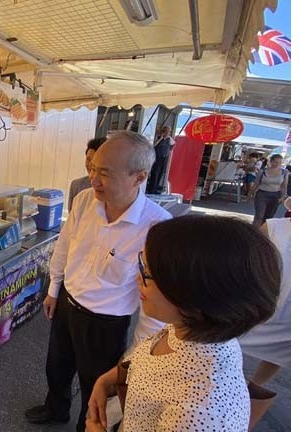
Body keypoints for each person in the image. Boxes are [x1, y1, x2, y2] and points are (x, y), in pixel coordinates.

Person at [24, 131, 172, 432]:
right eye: (92, 169)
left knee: (97, 384)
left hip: (107, 320)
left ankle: (89, 426)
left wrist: (140, 352)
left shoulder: (157, 227)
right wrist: (54, 289)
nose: (93, 180)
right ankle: (56, 408)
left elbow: (155, 298)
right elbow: (65, 245)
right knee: (57, 366)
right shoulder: (83, 200)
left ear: (138, 177)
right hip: (68, 300)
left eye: (104, 173)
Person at [85, 215, 281, 432]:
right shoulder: (188, 329)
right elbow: (146, 359)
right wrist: (106, 380)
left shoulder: (199, 412)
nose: (137, 279)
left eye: (148, 273)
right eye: (143, 263)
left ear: (192, 297)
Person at [239, 197, 291, 416]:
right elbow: (246, 264)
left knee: (281, 352)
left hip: (291, 319)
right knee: (222, 341)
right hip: (260, 306)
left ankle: (251, 390)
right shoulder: (275, 227)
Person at [250, 154, 289, 226]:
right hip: (262, 194)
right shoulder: (262, 171)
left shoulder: (285, 172)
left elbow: (284, 186)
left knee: (269, 217)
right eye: (275, 162)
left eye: (280, 162)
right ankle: (253, 232)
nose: (277, 164)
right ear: (271, 162)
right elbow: (256, 184)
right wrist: (250, 194)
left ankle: (263, 233)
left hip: (275, 195)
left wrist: (283, 196)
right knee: (259, 216)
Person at [68, 137, 106, 211]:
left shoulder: (109, 188)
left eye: (95, 160)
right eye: (88, 159)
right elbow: (72, 216)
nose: (91, 164)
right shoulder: (76, 185)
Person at [145, 125, 175, 194]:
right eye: (166, 131)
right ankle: (151, 188)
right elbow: (153, 145)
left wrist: (169, 151)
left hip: (164, 157)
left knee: (161, 173)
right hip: (157, 157)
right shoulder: (158, 137)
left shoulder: (169, 139)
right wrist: (161, 138)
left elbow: (174, 144)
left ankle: (155, 188)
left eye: (168, 132)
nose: (167, 133)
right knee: (155, 172)